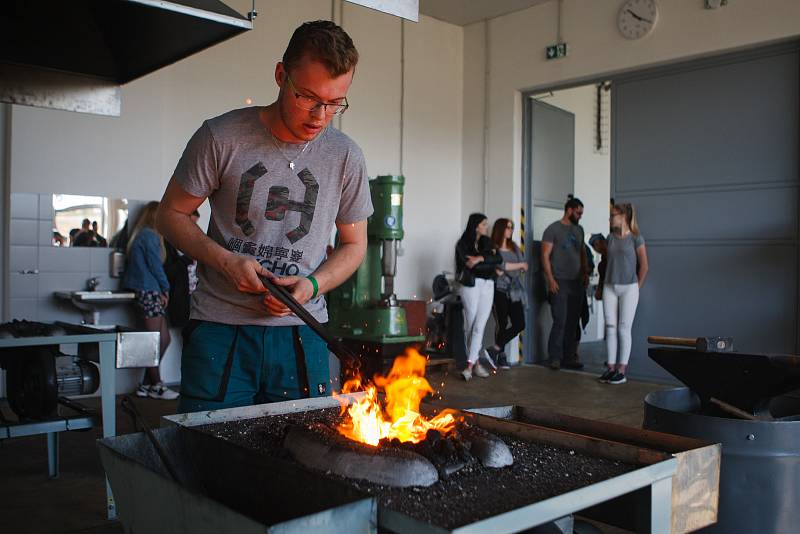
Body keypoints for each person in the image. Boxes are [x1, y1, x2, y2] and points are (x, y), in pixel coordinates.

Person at [156, 21, 372, 413]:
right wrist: (226, 261)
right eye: (307, 97)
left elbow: (355, 244)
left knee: (303, 456)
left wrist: (312, 284)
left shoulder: (345, 156)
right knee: (210, 454)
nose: (321, 116)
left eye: (335, 102)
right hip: (220, 329)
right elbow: (170, 214)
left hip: (302, 332)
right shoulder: (221, 137)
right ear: (280, 75)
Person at [122, 201, 179, 400]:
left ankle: (147, 384)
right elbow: (155, 266)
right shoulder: (150, 236)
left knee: (163, 339)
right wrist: (166, 288)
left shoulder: (143, 235)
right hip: (149, 291)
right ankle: (156, 385)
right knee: (155, 342)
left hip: (148, 290)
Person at [598, 203, 648, 385]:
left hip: (629, 287)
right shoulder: (610, 238)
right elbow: (606, 263)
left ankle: (621, 370)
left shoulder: (636, 238)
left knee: (623, 328)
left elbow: (644, 266)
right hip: (609, 286)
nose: (610, 218)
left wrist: (636, 287)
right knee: (610, 328)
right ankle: (610, 368)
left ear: (623, 217)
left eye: (613, 215)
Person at [541, 196, 589, 370]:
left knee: (572, 321)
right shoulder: (552, 229)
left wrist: (585, 272)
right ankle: (555, 357)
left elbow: (582, 252)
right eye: (578, 212)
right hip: (559, 281)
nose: (580, 216)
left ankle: (568, 357)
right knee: (560, 320)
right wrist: (550, 279)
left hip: (576, 281)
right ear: (569, 210)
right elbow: (545, 255)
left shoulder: (579, 230)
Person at [455, 213, 502, 381]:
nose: (486, 227)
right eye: (483, 224)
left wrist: (480, 258)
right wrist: (487, 264)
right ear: (476, 225)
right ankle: (475, 364)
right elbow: (466, 265)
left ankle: (469, 366)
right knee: (471, 323)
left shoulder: (487, 242)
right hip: (470, 285)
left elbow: (498, 258)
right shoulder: (462, 244)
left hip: (488, 285)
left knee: (480, 325)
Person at [487, 218, 527, 369]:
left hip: (515, 290)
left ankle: (495, 349)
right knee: (501, 323)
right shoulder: (493, 248)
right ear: (500, 229)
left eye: (512, 227)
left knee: (519, 323)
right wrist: (515, 266)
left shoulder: (514, 247)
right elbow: (499, 265)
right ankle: (501, 356)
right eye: (508, 227)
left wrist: (509, 268)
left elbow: (523, 267)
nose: (510, 230)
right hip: (499, 290)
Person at [588, 233, 607, 301]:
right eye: (594, 246)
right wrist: (599, 290)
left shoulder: (614, 257)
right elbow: (602, 279)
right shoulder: (601, 265)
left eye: (599, 243)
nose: (597, 248)